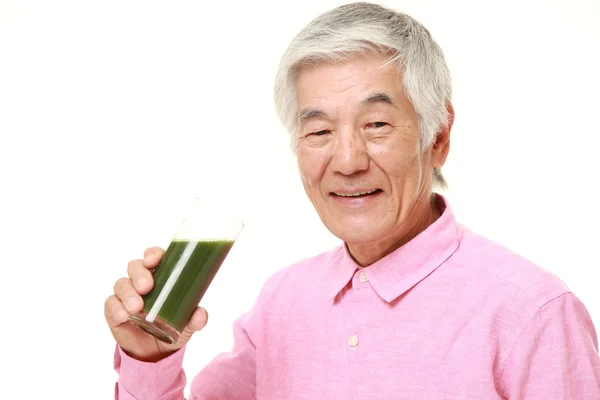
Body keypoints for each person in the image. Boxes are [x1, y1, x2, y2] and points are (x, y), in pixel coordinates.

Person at [105, 2, 600, 399]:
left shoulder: (532, 313)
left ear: (439, 136)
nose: (346, 160)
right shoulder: (282, 301)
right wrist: (148, 361)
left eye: (376, 124)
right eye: (318, 129)